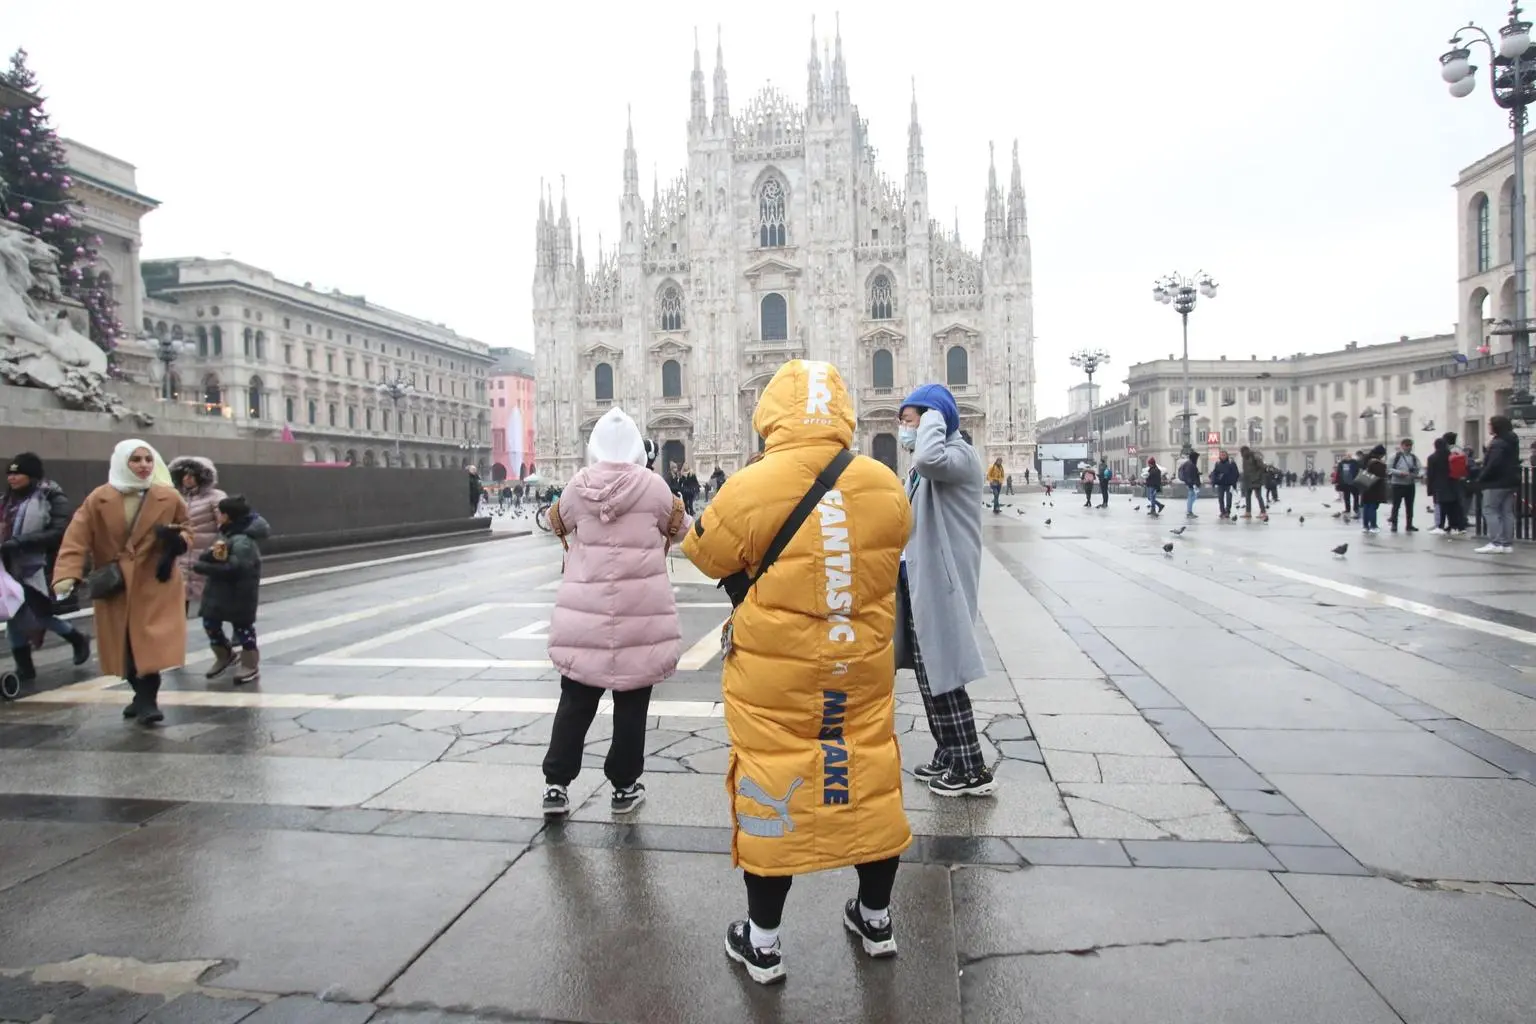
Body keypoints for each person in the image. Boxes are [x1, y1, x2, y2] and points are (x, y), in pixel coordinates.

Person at [683, 359, 911, 985]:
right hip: (857, 666)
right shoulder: (884, 483)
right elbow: (895, 541)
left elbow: (702, 552)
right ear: (841, 412)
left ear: (772, 413)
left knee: (774, 778)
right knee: (867, 775)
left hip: (774, 674)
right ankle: (877, 919)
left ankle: (763, 945)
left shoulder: (754, 484)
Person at [542, 407, 690, 819]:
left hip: (585, 616)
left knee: (575, 700)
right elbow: (682, 530)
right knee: (631, 702)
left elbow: (556, 522)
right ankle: (624, 786)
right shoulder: (654, 487)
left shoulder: (576, 486)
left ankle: (556, 785)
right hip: (639, 615)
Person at [895, 383, 996, 797]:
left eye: (909, 419)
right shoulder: (922, 467)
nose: (903, 428)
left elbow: (929, 455)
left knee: (945, 672)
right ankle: (949, 752)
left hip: (943, 580)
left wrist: (934, 414)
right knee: (926, 672)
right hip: (920, 576)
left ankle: (972, 766)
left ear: (934, 418)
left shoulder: (956, 456)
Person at [52, 440, 192, 725]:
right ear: (121, 462)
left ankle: (147, 699)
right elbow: (76, 537)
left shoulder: (168, 496)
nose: (143, 465)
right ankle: (138, 693)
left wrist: (178, 542)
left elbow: (188, 529)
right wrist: (67, 573)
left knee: (149, 643)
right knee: (123, 644)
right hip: (115, 583)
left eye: (148, 460)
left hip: (156, 580)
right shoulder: (99, 498)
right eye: (136, 460)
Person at [2, 453, 91, 681]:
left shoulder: (50, 497)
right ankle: (25, 667)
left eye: (17, 473)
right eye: (9, 473)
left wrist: (20, 542)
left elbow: (59, 531)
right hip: (9, 564)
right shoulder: (7, 500)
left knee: (40, 614)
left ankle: (76, 638)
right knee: (12, 613)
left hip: (38, 564)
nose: (12, 478)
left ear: (31, 476)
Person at [193, 495, 270, 684]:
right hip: (220, 591)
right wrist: (208, 557)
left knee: (242, 628)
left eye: (220, 513)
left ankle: (250, 664)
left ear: (228, 516)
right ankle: (225, 655)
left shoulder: (243, 540)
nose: (218, 516)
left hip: (239, 593)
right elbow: (216, 554)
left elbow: (236, 568)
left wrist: (205, 567)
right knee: (210, 623)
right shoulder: (227, 533)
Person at [168, 456, 227, 618]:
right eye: (184, 475)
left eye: (191, 475)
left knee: (214, 604)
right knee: (178, 602)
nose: (187, 479)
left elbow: (225, 525)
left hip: (205, 558)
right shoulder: (176, 497)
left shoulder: (216, 497)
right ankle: (177, 638)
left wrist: (220, 552)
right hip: (181, 557)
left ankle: (225, 634)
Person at [1475, 415, 1521, 554]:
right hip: (1511, 480)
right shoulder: (1512, 439)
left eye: (1490, 424)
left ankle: (1496, 542)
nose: (1489, 427)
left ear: (1496, 426)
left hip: (1496, 482)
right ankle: (1506, 543)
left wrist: (1481, 478)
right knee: (1506, 511)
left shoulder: (1498, 443)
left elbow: (1492, 464)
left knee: (1490, 509)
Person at [1387, 438, 1421, 533]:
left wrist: (1417, 473)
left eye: (1410, 446)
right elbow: (1389, 469)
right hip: (1397, 484)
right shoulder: (1395, 456)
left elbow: (1419, 467)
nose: (1408, 448)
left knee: (1409, 506)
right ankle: (1394, 525)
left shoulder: (1414, 457)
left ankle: (1409, 525)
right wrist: (1400, 473)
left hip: (1410, 484)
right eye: (1406, 445)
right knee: (1396, 505)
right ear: (1402, 446)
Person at [1359, 444, 1389, 534]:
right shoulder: (1377, 463)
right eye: (1383, 455)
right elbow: (1380, 475)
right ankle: (1373, 525)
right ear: (1380, 454)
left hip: (1365, 485)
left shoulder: (1365, 459)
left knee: (1366, 506)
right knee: (1372, 506)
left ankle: (1365, 526)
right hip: (1374, 487)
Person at [1238, 446, 1269, 521]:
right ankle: (1248, 512)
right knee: (1248, 496)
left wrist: (1258, 476)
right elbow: (1246, 470)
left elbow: (1262, 466)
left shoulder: (1254, 457)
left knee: (1258, 496)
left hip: (1255, 480)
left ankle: (1263, 512)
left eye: (1244, 452)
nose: (1243, 453)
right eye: (1242, 452)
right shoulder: (1245, 458)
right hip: (1248, 480)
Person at [1210, 449, 1239, 520]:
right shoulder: (1218, 463)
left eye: (1224, 455)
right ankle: (1222, 511)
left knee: (1229, 498)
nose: (1222, 456)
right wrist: (1214, 481)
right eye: (1221, 455)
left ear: (1227, 455)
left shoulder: (1231, 463)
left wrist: (1233, 482)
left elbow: (1236, 473)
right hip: (1221, 484)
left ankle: (1227, 511)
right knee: (1220, 498)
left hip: (1229, 484)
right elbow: (1215, 473)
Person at [1178, 451, 1201, 519]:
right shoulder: (1190, 464)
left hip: (1191, 483)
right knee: (1191, 497)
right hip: (1191, 484)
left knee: (1192, 497)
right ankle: (1189, 512)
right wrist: (1193, 484)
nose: (1197, 459)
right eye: (1197, 457)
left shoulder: (1189, 463)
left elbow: (1191, 474)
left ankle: (1189, 511)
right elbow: (1189, 475)